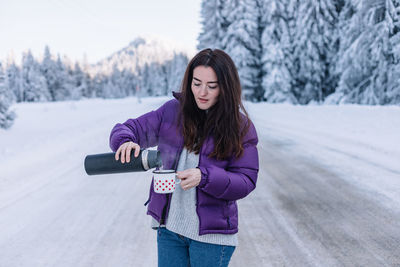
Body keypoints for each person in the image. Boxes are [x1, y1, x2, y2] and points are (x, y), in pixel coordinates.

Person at [109, 48, 259, 267]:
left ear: (226, 87)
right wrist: (125, 141)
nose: (202, 92)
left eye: (212, 86)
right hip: (169, 230)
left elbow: (246, 181)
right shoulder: (172, 112)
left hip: (212, 238)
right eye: (196, 83)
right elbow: (128, 128)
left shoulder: (240, 126)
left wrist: (204, 177)